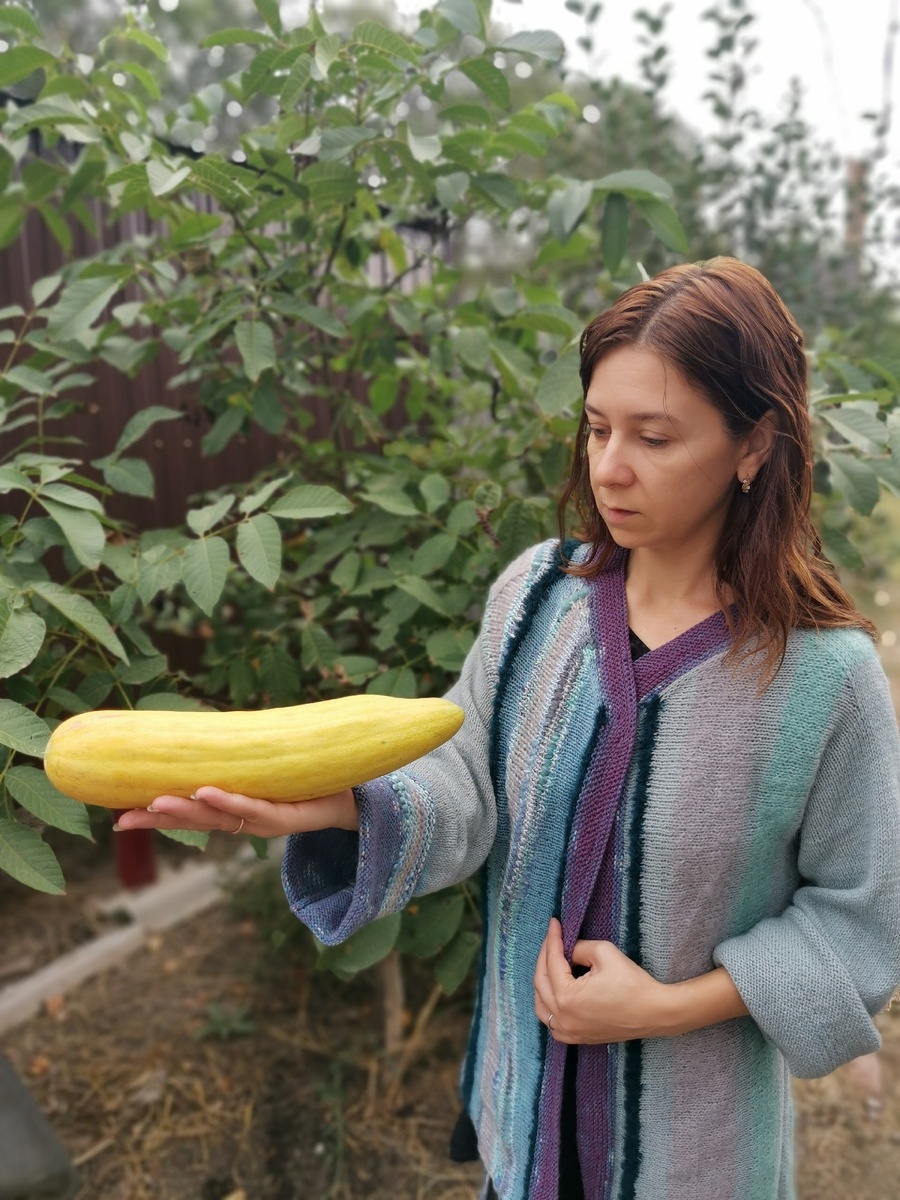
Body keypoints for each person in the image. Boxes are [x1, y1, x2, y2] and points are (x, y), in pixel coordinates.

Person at [117, 257, 900, 1200]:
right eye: (598, 427)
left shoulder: (823, 678)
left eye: (654, 437)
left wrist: (666, 1007)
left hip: (699, 1161)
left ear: (754, 444)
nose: (608, 467)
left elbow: (863, 919)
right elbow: (468, 781)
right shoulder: (537, 600)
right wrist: (334, 806)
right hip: (522, 1125)